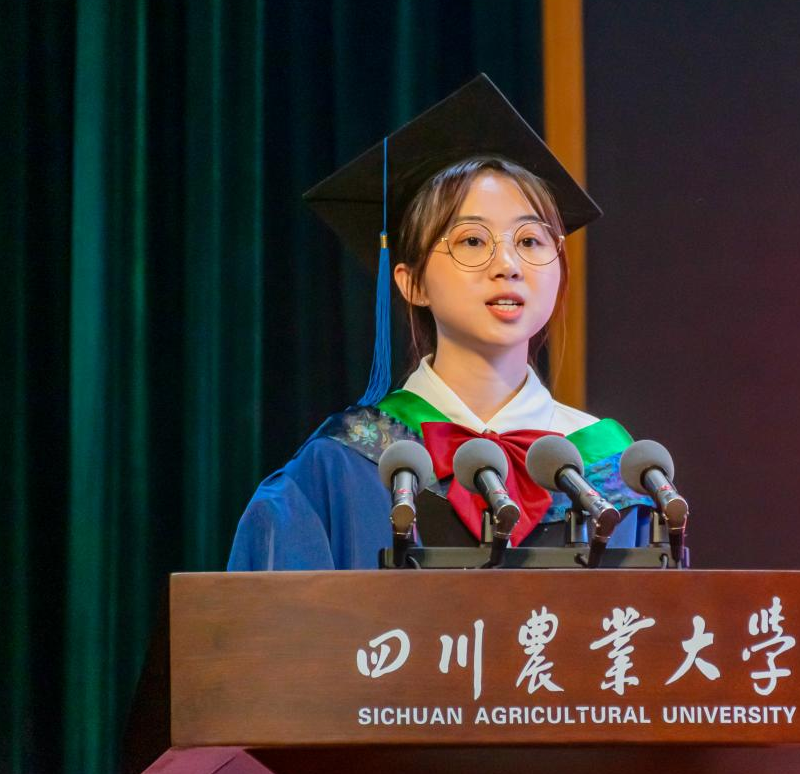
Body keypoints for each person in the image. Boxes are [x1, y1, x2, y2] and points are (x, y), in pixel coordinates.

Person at [227, 75, 651, 571]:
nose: (508, 265)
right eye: (472, 241)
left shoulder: (615, 472)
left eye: (530, 241)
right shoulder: (342, 465)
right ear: (412, 283)